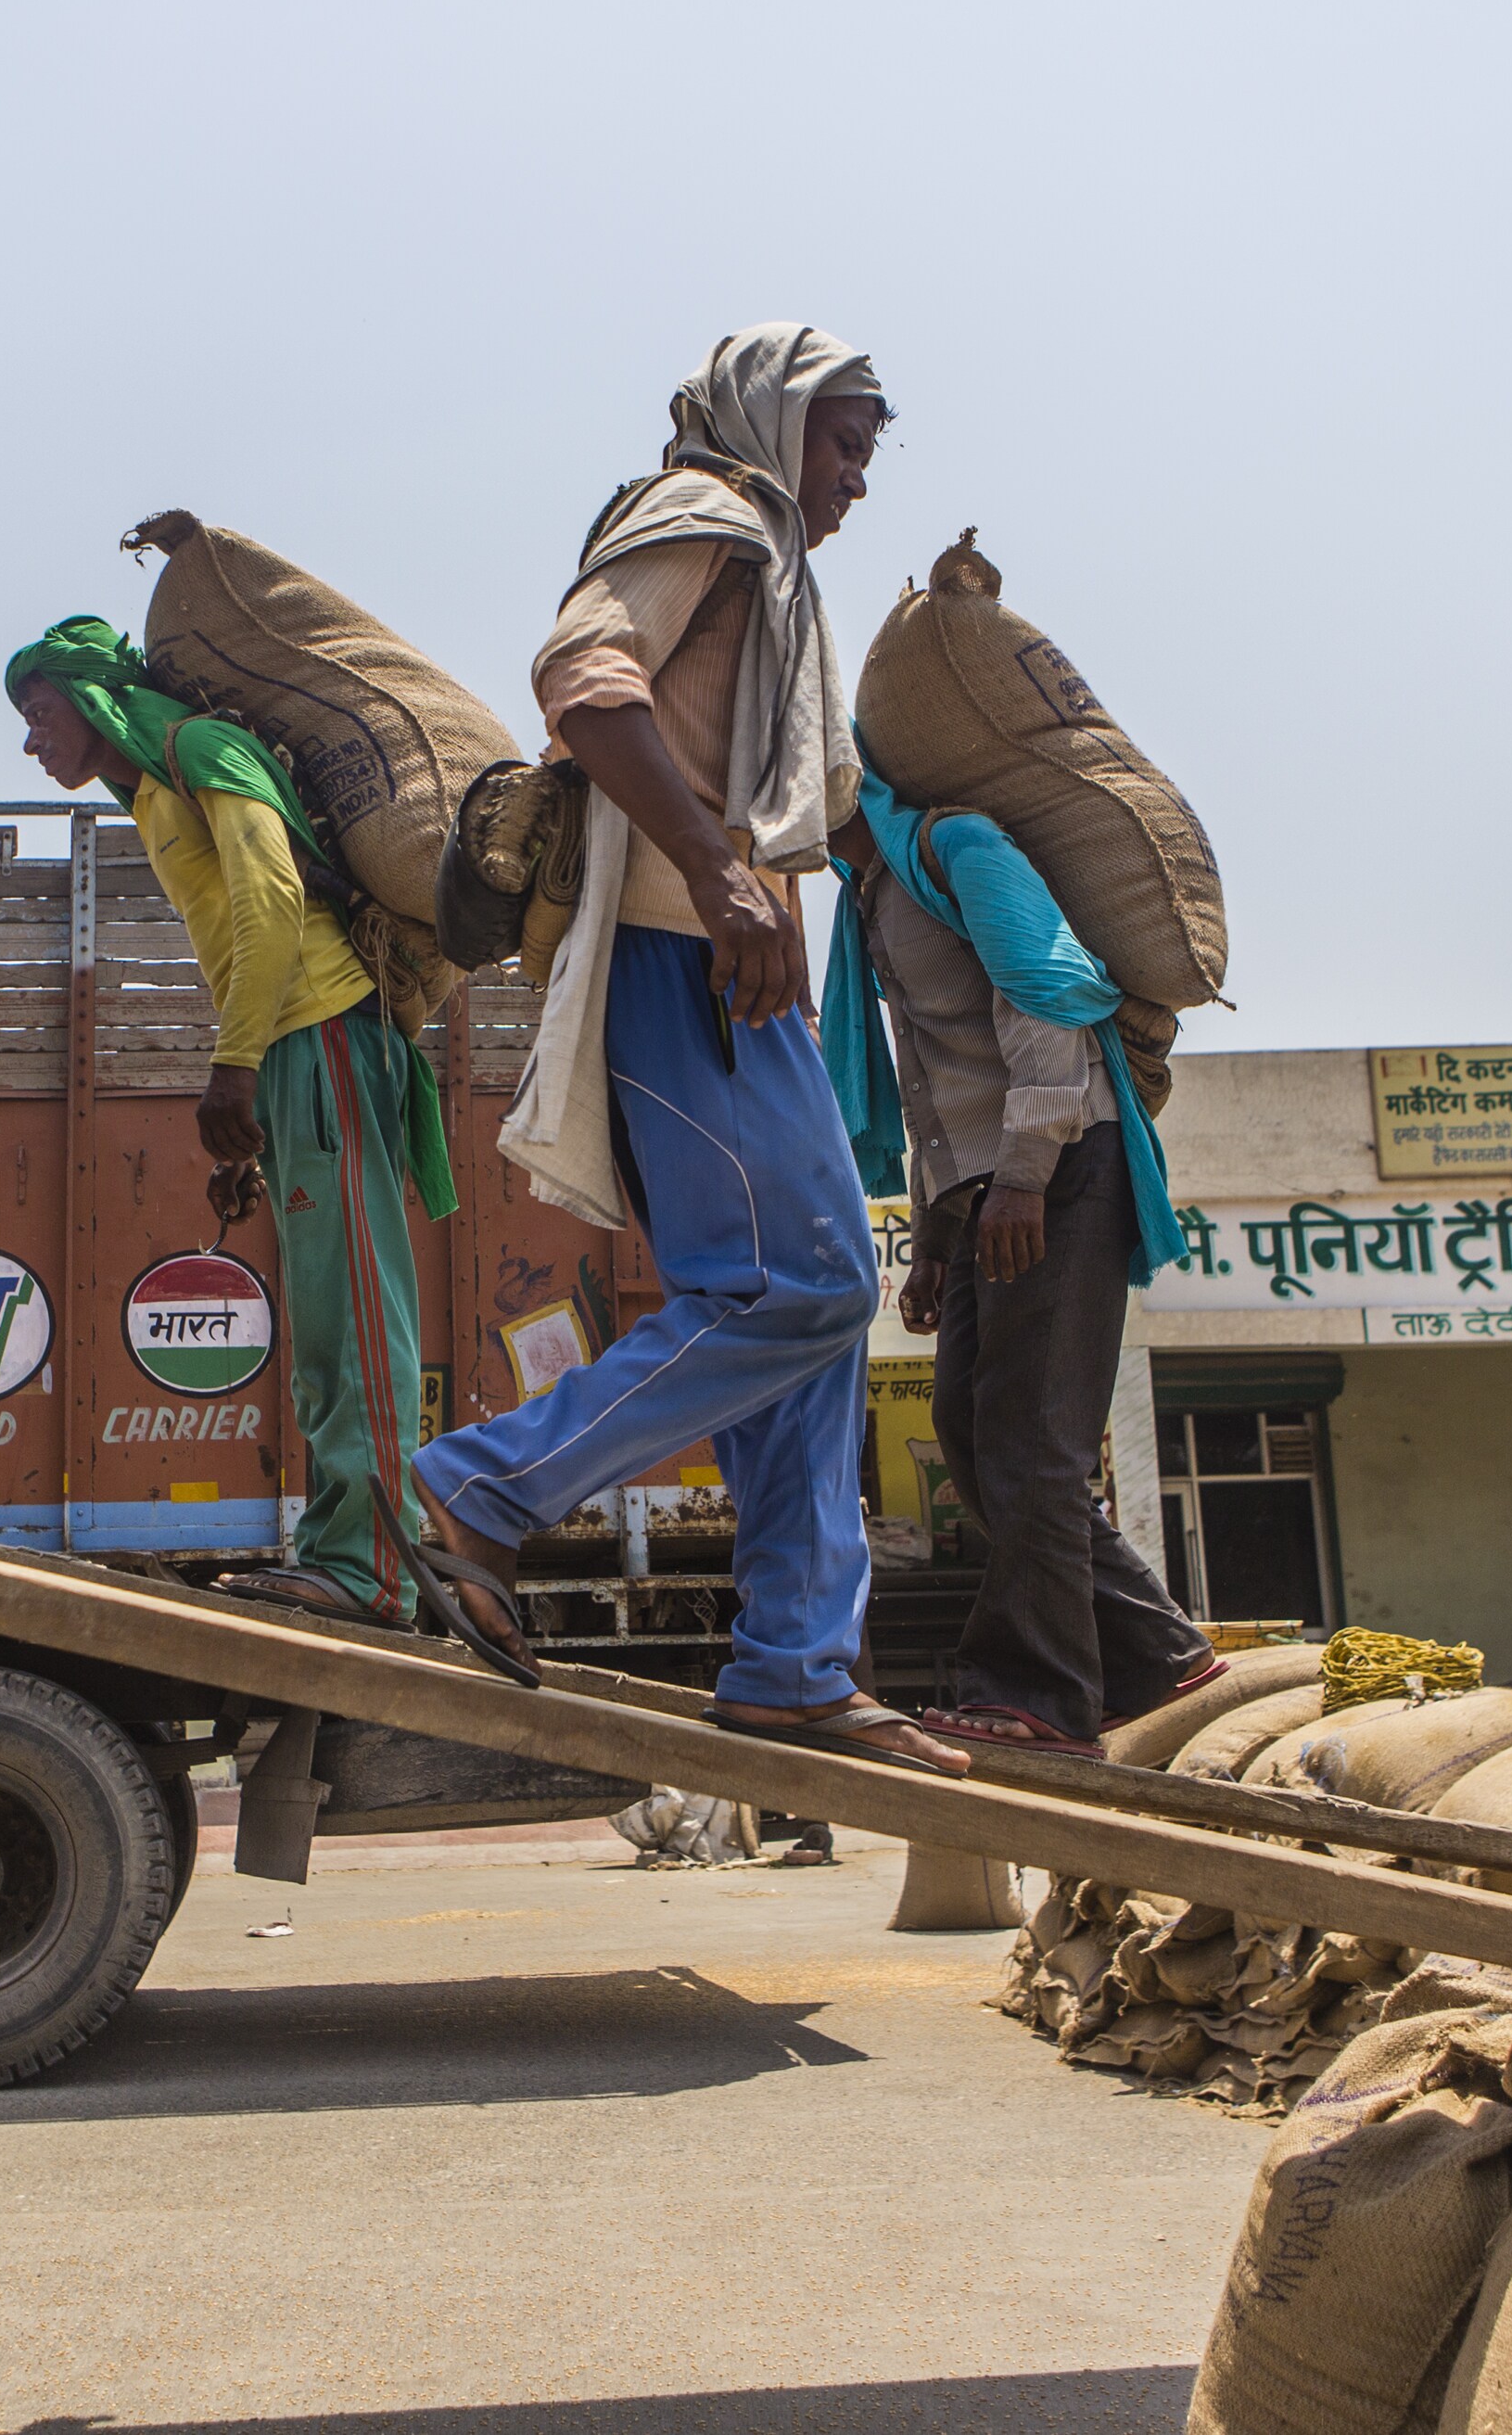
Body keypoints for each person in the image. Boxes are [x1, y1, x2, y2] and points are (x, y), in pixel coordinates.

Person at [407, 325, 964, 1771]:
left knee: (803, 1318)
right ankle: (483, 1485)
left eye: (869, 452)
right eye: (843, 443)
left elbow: (796, 799)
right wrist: (721, 875)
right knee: (808, 1282)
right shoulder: (706, 511)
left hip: (742, 971)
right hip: (680, 952)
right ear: (773, 420)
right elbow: (586, 680)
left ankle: (795, 1664)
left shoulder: (775, 570)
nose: (855, 479)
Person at [4, 620, 470, 1656]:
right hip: (297, 1052)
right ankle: (342, 1554)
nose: (30, 740)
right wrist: (251, 1112)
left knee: (357, 1311)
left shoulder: (201, 750)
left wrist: (236, 1062)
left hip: (325, 1035)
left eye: (38, 713)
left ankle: (373, 1569)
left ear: (92, 699)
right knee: (323, 1328)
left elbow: (273, 895)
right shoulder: (154, 794)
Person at [820, 777, 1223, 1756]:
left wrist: (1026, 1176)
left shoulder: (957, 845)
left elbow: (1045, 999)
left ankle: (1040, 1694)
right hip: (983, 1190)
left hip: (1061, 1163)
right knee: (970, 1428)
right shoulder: (867, 896)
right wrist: (934, 1236)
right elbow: (931, 1084)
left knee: (1031, 1441)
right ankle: (1156, 1652)